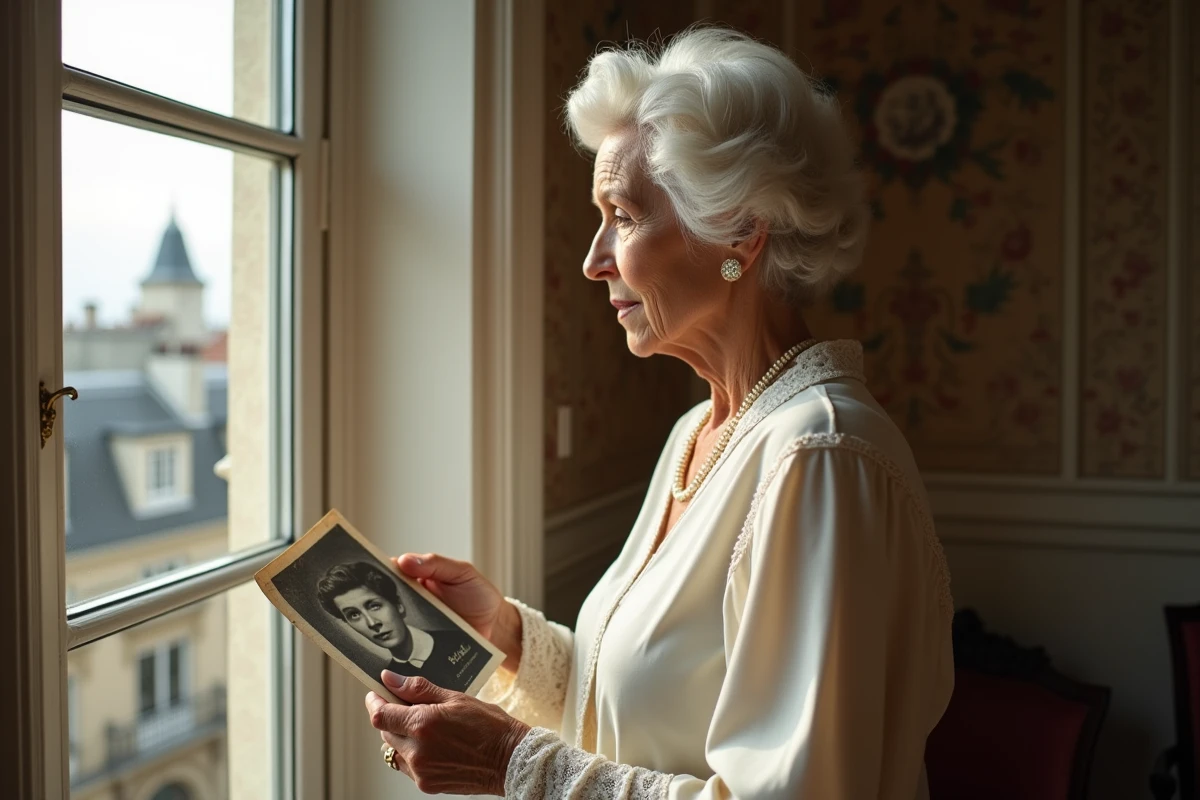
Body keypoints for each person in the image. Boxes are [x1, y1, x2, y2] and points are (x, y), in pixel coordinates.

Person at [363, 27, 954, 799]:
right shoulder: (698, 434)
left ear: (740, 227)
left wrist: (510, 764)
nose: (592, 258)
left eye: (625, 214)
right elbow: (651, 707)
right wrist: (507, 639)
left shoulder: (821, 457)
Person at [317, 561, 477, 682]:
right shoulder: (389, 681)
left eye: (374, 606)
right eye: (354, 615)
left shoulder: (462, 641)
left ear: (398, 605)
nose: (372, 623)